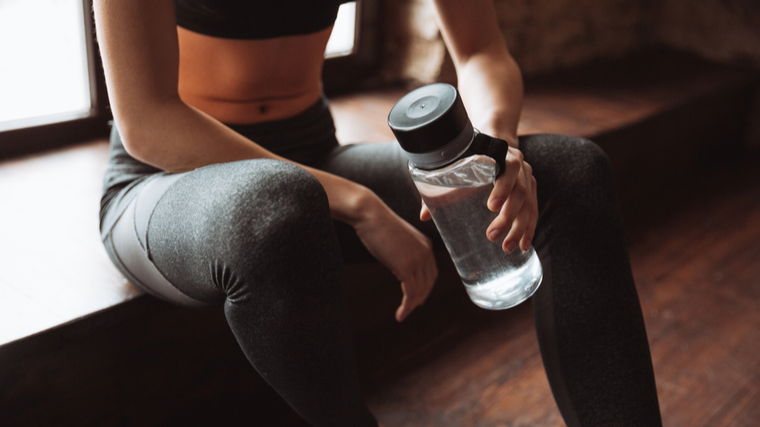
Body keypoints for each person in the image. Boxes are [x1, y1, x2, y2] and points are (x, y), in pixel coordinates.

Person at [93, 0, 663, 425]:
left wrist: (495, 149)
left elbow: (481, 51)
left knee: (571, 170)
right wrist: (357, 203)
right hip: (168, 184)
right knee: (276, 204)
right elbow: (147, 121)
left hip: (314, 155)